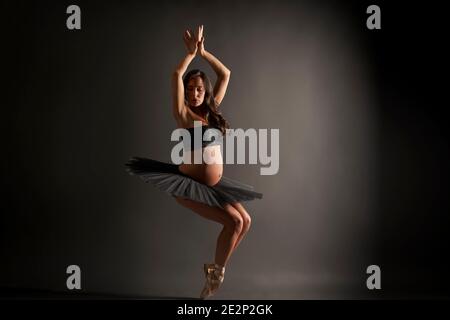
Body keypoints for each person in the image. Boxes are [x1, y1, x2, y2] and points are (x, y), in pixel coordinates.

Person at [125, 25, 262, 299]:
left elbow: (225, 74)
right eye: (190, 89)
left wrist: (203, 52)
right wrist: (190, 55)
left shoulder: (212, 113)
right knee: (234, 222)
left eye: (199, 89)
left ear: (205, 92)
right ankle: (215, 277)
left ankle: (215, 271)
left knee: (245, 220)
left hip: (215, 185)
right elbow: (176, 74)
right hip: (189, 185)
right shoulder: (184, 116)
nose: (194, 93)